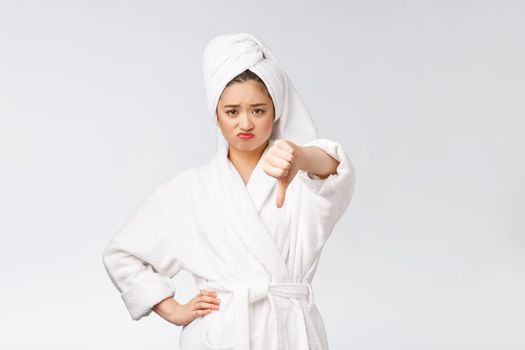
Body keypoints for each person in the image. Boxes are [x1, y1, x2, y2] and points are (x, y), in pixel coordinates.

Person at [102, 32, 356, 350]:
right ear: (217, 115)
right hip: (221, 336)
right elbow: (122, 254)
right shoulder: (190, 189)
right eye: (232, 111)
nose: (245, 123)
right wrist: (172, 309)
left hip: (289, 333)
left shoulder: (302, 181)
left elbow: (334, 173)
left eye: (258, 110)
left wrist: (300, 157)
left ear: (275, 111)